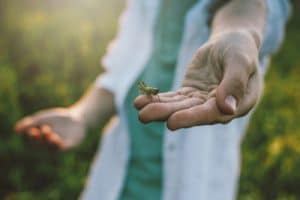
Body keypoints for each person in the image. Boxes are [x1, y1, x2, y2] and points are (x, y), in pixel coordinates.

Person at [15, 0, 290, 199]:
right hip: (116, 183)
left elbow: (249, 8)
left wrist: (240, 32)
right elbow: (118, 74)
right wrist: (81, 115)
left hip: (195, 187)